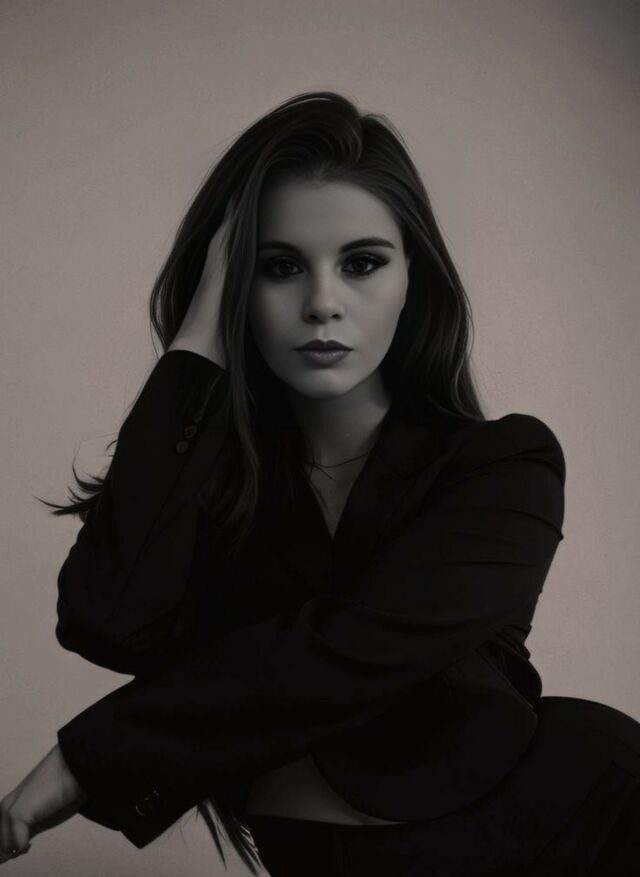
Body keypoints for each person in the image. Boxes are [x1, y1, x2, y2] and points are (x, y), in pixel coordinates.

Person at [2, 91, 639, 875]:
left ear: (413, 278)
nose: (323, 304)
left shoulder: (504, 466)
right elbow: (105, 621)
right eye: (279, 267)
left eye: (363, 262)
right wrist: (198, 345)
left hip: (576, 829)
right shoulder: (209, 498)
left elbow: (349, 653)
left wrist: (87, 759)